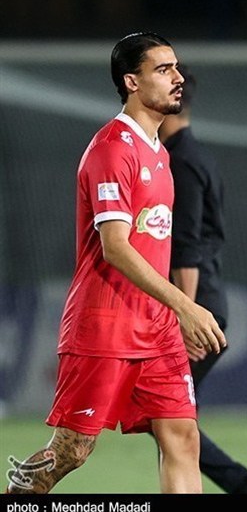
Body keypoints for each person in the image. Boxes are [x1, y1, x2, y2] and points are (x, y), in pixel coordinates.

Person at [5, 32, 227, 494]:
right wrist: (186, 306)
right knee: (73, 450)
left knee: (183, 438)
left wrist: (173, 313)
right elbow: (116, 247)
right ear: (131, 81)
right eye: (163, 69)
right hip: (106, 326)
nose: (177, 77)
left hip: (157, 329)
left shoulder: (159, 153)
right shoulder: (112, 148)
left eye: (176, 67)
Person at [159, 64, 247, 494]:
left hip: (198, 304)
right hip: (202, 301)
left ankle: (246, 485)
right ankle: (245, 485)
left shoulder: (181, 161)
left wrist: (186, 316)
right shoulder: (194, 155)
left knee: (167, 416)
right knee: (167, 416)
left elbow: (186, 245)